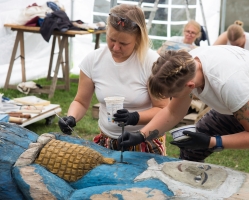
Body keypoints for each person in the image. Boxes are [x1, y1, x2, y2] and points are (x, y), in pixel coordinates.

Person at [117, 46, 249, 184]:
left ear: (190, 86)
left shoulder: (228, 83)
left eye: (173, 95)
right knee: (190, 146)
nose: (173, 99)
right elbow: (173, 112)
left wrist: (212, 142)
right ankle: (188, 190)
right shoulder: (185, 66)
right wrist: (141, 135)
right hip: (239, 105)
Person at [58, 4, 169, 156]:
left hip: (143, 141)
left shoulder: (152, 63)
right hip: (107, 142)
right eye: (111, 39)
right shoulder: (93, 61)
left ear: (138, 38)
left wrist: (134, 117)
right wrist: (71, 117)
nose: (115, 48)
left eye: (123, 43)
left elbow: (164, 109)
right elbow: (81, 102)